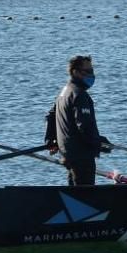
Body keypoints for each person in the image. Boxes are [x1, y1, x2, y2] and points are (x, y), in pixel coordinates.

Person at [44, 55, 111, 186]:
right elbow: (84, 126)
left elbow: (51, 116)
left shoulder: (64, 92)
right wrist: (98, 143)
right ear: (75, 72)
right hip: (81, 157)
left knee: (74, 191)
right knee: (84, 195)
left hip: (68, 155)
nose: (92, 75)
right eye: (88, 71)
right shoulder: (79, 95)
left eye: (92, 71)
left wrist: (50, 139)